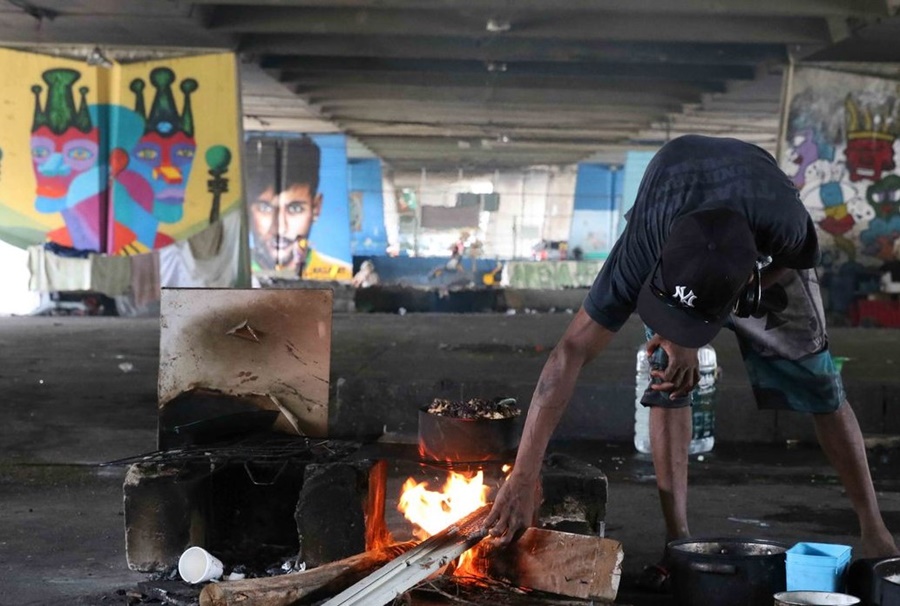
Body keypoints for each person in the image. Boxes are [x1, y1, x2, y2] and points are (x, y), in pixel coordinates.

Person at [483, 136, 899, 570]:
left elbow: (794, 258)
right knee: (667, 372)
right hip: (677, 203)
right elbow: (569, 351)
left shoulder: (785, 222)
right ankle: (678, 543)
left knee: (819, 382)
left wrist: (722, 312)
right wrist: (523, 475)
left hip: (760, 249)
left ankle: (875, 529)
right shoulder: (642, 249)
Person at [247, 136, 345, 277]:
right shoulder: (228, 275)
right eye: (265, 208)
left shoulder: (339, 274)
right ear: (246, 209)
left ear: (316, 207)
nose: (280, 228)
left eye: (295, 209)